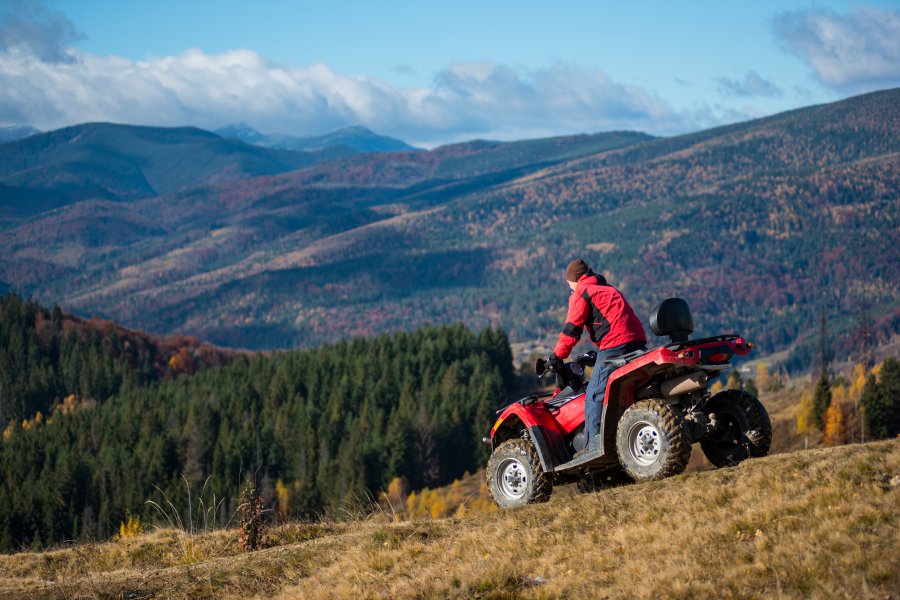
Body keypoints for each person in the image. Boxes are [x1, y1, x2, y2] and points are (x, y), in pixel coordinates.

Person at [551, 258, 647, 457]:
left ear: (575, 280)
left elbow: (571, 330)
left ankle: (594, 448)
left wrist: (556, 356)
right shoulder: (605, 287)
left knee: (594, 395)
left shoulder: (581, 292)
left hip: (615, 344)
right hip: (637, 341)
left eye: (569, 284)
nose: (569, 288)